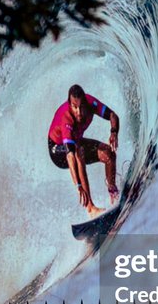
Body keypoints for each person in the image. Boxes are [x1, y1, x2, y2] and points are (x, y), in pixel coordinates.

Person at [47, 84, 119, 217]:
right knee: (78, 152)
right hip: (57, 150)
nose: (79, 112)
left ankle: (113, 194)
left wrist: (114, 132)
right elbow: (70, 156)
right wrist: (78, 185)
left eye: (81, 107)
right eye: (75, 107)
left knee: (109, 153)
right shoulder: (67, 118)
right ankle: (90, 209)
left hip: (76, 143)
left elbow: (113, 116)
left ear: (85, 102)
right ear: (70, 105)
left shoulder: (91, 104)